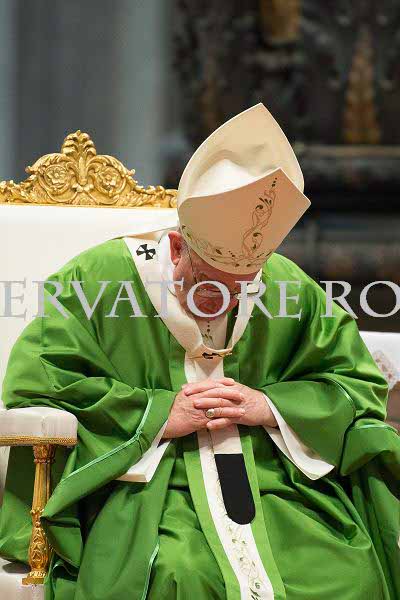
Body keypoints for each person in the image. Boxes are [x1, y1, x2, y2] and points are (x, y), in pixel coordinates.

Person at [0, 104, 399, 600]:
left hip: (270, 480)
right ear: (175, 248)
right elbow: (42, 381)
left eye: (242, 287)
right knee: (181, 573)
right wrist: (158, 415)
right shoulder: (99, 280)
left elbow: (352, 385)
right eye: (209, 281)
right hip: (151, 488)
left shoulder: (286, 285)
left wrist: (270, 406)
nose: (225, 300)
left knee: (344, 570)